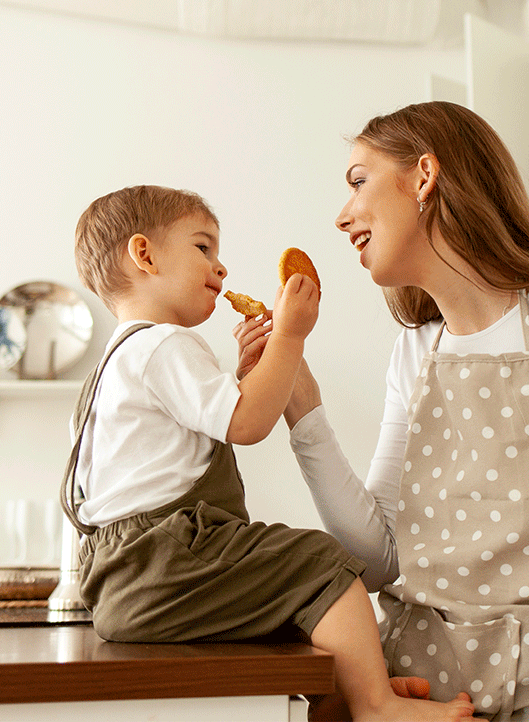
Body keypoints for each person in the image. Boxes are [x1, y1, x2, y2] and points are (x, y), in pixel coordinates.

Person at [234, 102, 529, 722]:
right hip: (426, 696)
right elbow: (381, 559)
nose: (341, 216)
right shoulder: (415, 350)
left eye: (359, 181)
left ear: (424, 175)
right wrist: (297, 400)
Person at [60, 184, 477, 722]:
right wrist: (290, 338)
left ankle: (343, 696)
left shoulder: (116, 362)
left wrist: (245, 377)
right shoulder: (164, 344)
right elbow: (247, 423)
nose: (221, 267)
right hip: (166, 557)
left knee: (283, 600)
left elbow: (203, 425)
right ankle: (375, 705)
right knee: (324, 567)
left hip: (116, 578)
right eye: (202, 248)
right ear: (144, 255)